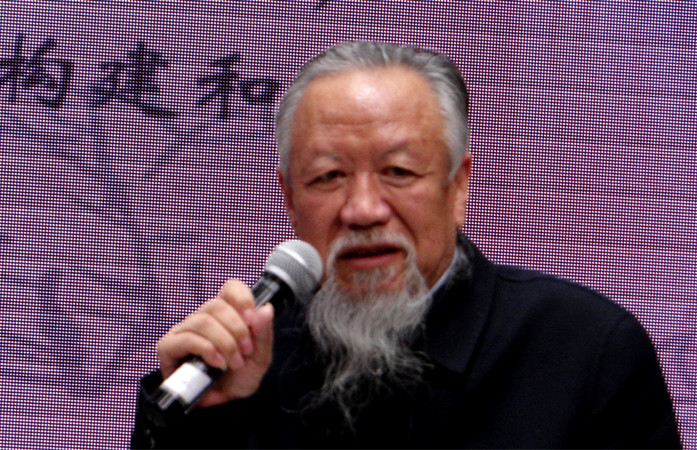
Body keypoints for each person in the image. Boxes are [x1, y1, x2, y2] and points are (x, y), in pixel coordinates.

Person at [132, 41, 680, 448]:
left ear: (457, 187)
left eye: (398, 171)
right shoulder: (237, 367)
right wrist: (200, 423)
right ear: (290, 200)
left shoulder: (586, 350)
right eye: (328, 176)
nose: (362, 210)